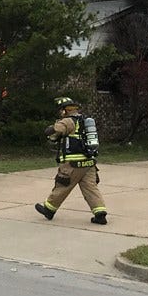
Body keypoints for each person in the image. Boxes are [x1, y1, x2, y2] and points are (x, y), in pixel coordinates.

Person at [35, 96, 108, 225]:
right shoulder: (85, 120)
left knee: (62, 186)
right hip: (89, 164)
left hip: (73, 165)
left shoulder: (68, 121)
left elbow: (55, 131)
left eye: (60, 110)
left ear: (65, 110)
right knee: (91, 188)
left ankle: (49, 209)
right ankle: (100, 213)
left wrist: (49, 130)